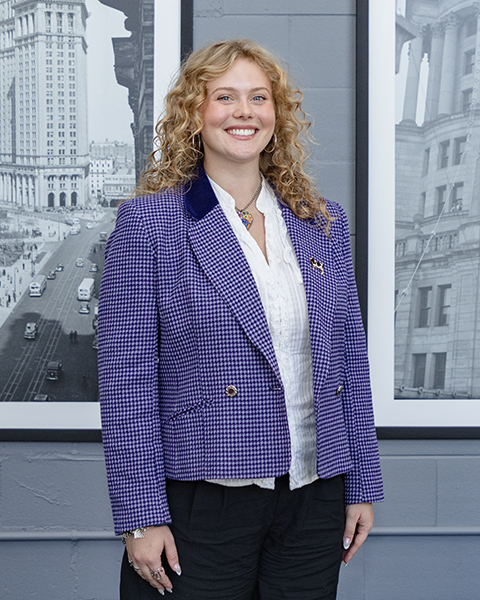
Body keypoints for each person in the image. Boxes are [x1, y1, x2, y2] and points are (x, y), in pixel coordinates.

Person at [98, 39, 384, 600]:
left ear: (278, 115)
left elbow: (350, 360)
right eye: (224, 97)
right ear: (195, 114)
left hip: (314, 492)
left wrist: (361, 485)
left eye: (259, 97)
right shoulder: (150, 224)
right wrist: (140, 515)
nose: (243, 112)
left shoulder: (321, 223)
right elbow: (126, 379)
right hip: (202, 498)